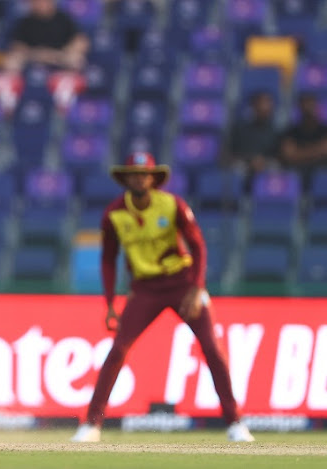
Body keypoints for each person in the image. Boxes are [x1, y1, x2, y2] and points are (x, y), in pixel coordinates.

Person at [71, 152, 255, 443]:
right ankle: (91, 424)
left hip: (182, 284)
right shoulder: (114, 213)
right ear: (126, 178)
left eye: (144, 174)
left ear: (153, 178)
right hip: (145, 289)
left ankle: (235, 422)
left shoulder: (172, 205)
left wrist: (197, 287)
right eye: (133, 173)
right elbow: (108, 259)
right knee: (118, 350)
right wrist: (109, 304)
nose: (139, 178)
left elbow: (198, 247)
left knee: (212, 349)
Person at [6, 0, 90, 72]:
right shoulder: (25, 21)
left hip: (60, 58)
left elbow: (81, 41)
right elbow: (17, 47)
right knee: (13, 61)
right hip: (33, 59)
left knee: (77, 60)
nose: (41, 3)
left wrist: (63, 53)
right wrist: (39, 54)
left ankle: (71, 89)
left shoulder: (63, 18)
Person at [224, 91, 281, 188]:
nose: (265, 108)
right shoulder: (239, 128)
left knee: (275, 168)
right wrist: (251, 160)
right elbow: (229, 154)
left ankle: (268, 198)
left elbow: (279, 155)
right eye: (262, 104)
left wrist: (263, 161)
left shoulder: (275, 130)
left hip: (266, 165)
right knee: (236, 170)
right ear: (253, 106)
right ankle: (237, 200)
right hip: (244, 164)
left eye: (268, 104)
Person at [279, 92, 327, 190]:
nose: (308, 109)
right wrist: (318, 151)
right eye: (305, 105)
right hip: (298, 172)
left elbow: (325, 150)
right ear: (299, 108)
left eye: (311, 105)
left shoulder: (324, 130)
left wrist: (300, 153)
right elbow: (289, 156)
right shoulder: (291, 132)